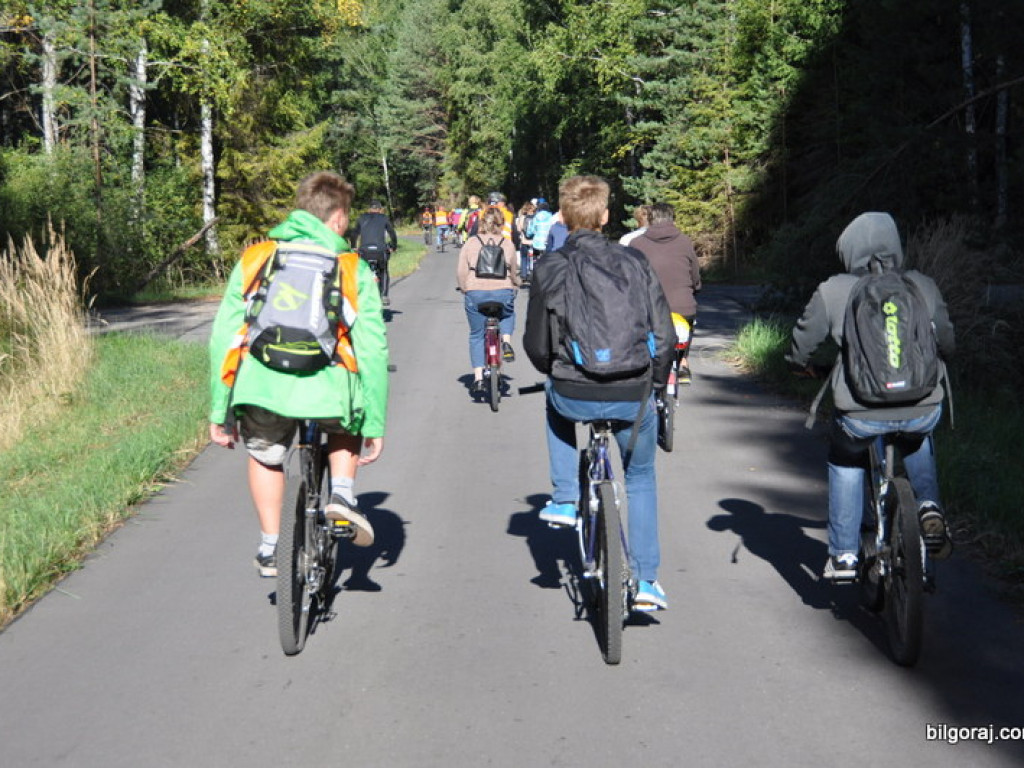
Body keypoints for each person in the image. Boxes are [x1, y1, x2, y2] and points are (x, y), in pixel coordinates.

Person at [208, 171, 389, 577]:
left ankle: (272, 545)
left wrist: (220, 409)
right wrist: (374, 421)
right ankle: (341, 494)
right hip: (326, 390)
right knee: (348, 409)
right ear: (339, 217)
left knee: (266, 455)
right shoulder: (351, 268)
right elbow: (373, 351)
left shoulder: (256, 258)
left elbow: (224, 337)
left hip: (263, 385)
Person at [523, 175, 676, 611]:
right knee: (642, 477)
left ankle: (566, 497)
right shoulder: (635, 262)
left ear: (564, 217)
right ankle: (647, 580)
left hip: (573, 389)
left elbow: (536, 343)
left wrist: (553, 370)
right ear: (606, 216)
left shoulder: (550, 265)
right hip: (634, 391)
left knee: (553, 402)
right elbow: (661, 332)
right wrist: (657, 382)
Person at [786, 211, 955, 581]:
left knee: (845, 458)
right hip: (922, 405)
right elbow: (947, 338)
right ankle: (927, 506)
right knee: (918, 432)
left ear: (849, 250)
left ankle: (845, 554)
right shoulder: (921, 285)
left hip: (859, 413)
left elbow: (802, 346)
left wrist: (799, 366)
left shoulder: (832, 290)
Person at [629, 202, 701, 381]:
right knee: (687, 322)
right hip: (682, 307)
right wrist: (695, 287)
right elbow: (695, 276)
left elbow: (628, 278)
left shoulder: (636, 243)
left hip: (648, 309)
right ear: (672, 219)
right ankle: (683, 362)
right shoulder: (684, 241)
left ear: (650, 220)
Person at [457, 206, 521, 396]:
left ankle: (478, 379)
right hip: (503, 293)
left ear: (481, 222)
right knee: (508, 313)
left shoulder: (470, 243)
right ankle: (506, 341)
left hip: (475, 293)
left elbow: (461, 271)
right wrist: (515, 285)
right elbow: (514, 272)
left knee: (477, 334)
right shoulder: (507, 244)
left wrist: (464, 288)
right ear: (502, 223)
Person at [351, 199, 398, 307]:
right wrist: (393, 246)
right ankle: (384, 295)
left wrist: (353, 247)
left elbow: (354, 234)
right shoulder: (384, 218)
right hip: (380, 251)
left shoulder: (361, 218)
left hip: (365, 252)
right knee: (384, 270)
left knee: (361, 272)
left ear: (369, 209)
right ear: (380, 209)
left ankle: (359, 294)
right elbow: (392, 233)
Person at [527, 200, 555, 269]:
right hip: (547, 244)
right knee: (546, 262)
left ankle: (535, 275)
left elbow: (531, 230)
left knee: (535, 261)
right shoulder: (552, 217)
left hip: (537, 243)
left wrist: (528, 234)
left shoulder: (536, 217)